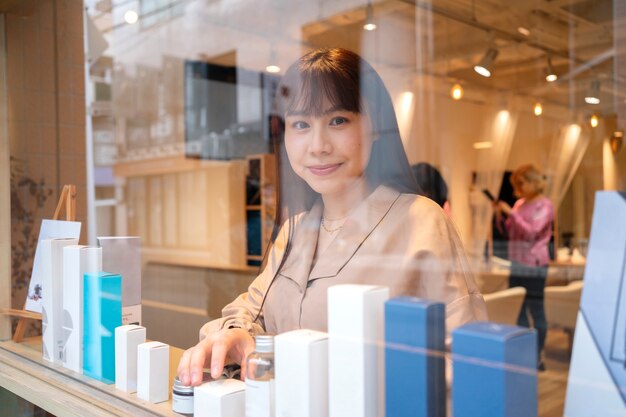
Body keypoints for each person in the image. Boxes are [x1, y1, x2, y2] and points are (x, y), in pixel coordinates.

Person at [177, 48, 487, 386]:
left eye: (338, 120)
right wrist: (235, 335)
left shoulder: (421, 221)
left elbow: (467, 365)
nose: (318, 145)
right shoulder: (296, 229)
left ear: (376, 128)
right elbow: (252, 309)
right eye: (300, 124)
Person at [494, 164, 554, 370]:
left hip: (535, 265)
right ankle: (523, 352)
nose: (517, 189)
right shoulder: (520, 204)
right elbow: (510, 232)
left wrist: (511, 213)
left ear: (532, 181)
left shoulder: (544, 206)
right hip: (517, 262)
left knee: (536, 310)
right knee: (518, 309)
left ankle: (537, 355)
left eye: (521, 184)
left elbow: (531, 232)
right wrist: (501, 216)